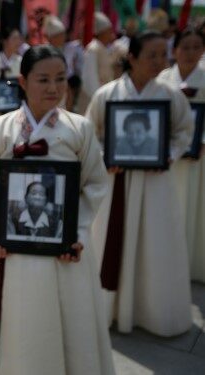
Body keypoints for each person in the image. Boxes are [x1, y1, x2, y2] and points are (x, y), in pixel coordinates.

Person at [0, 45, 114, 374]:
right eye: (42, 79)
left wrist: (76, 231)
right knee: (14, 323)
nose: (53, 87)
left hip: (64, 250)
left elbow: (95, 185)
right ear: (23, 81)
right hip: (9, 249)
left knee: (65, 324)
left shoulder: (79, 129)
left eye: (60, 79)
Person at [86, 30, 194, 337]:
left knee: (155, 243)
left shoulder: (170, 95)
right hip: (116, 181)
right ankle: (109, 308)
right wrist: (106, 156)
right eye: (152, 54)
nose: (161, 61)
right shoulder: (107, 94)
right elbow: (89, 133)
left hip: (155, 182)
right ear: (131, 57)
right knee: (111, 241)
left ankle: (152, 311)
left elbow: (184, 131)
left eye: (164, 53)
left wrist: (168, 155)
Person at [159, 27, 205, 282]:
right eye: (185, 47)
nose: (190, 53)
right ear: (174, 50)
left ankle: (193, 264)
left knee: (197, 207)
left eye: (196, 47)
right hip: (170, 155)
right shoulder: (164, 80)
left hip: (199, 157)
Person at [76, 12, 116, 114]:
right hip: (94, 99)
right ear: (102, 32)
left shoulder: (102, 48)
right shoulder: (93, 49)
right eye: (108, 31)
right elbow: (90, 78)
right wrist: (99, 99)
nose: (111, 34)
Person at [43, 15, 84, 112]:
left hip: (64, 94)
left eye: (63, 34)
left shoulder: (68, 49)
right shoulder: (43, 53)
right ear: (52, 38)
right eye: (60, 35)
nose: (63, 37)